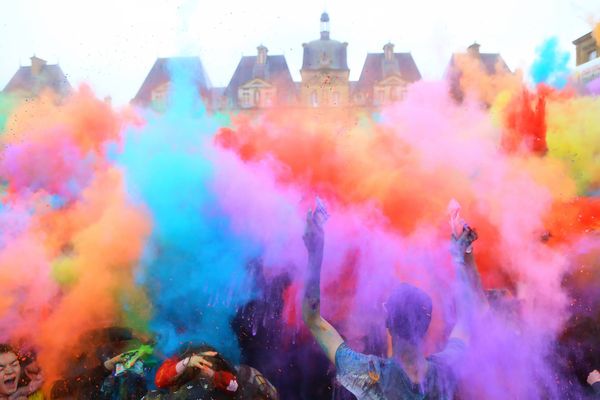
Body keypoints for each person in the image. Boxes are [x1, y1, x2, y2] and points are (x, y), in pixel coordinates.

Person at [301, 205, 483, 399]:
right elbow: (467, 319)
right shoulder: (445, 370)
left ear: (388, 322)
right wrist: (460, 256)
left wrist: (315, 252)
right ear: (426, 325)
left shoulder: (372, 375)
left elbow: (313, 320)